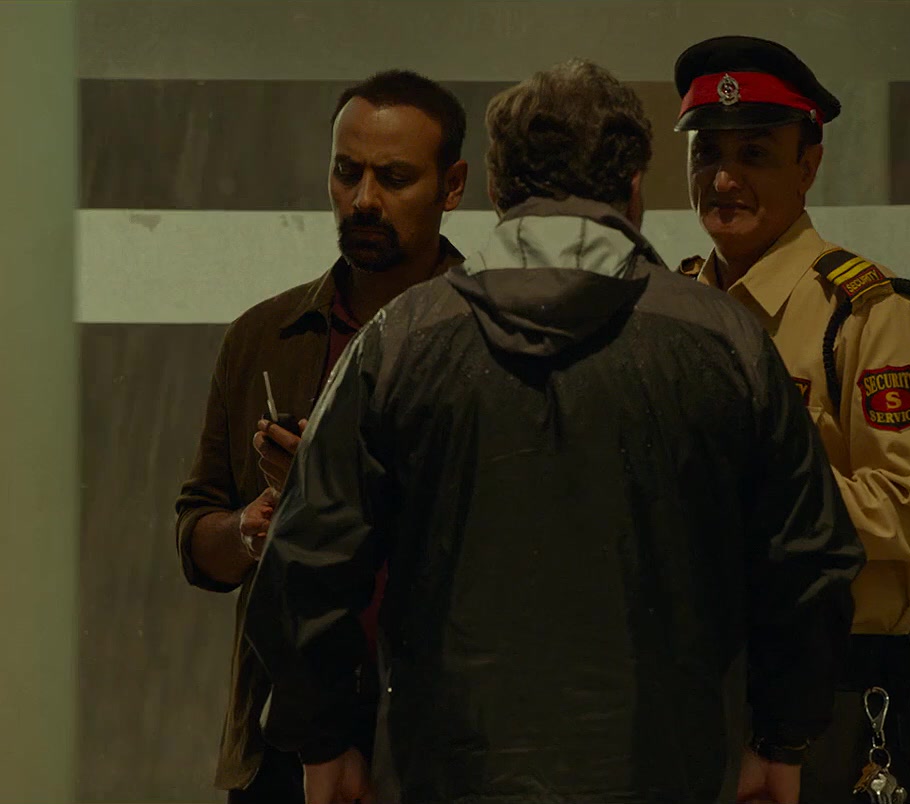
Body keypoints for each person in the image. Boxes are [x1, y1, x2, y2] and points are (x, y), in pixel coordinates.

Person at [243, 59, 865, 804]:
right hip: (671, 766)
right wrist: (781, 739)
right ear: (633, 186)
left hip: (447, 769)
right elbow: (809, 561)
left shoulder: (399, 340)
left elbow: (306, 559)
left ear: (497, 189)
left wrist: (325, 740)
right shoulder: (726, 341)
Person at [172, 69, 470, 803]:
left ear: (453, 186)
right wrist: (251, 528)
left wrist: (332, 496)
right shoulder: (264, 337)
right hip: (285, 741)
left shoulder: (490, 341)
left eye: (394, 177)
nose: (363, 199)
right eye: (346, 171)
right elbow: (196, 536)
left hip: (441, 739)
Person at [669, 36, 910, 801]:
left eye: (755, 154)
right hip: (692, 681)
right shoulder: (671, 313)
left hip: (835, 689)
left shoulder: (868, 316)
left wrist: (757, 496)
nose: (723, 179)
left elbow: (909, 509)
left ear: (808, 165)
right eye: (706, 153)